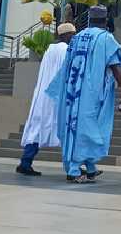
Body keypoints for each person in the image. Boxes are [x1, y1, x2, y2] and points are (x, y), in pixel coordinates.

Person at [48, 5, 121, 183]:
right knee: (87, 129)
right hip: (91, 94)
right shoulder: (106, 38)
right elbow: (115, 66)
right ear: (105, 21)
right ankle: (74, 170)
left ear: (90, 20)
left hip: (72, 93)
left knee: (78, 128)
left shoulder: (76, 38)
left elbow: (66, 66)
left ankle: (90, 167)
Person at [16, 23, 77, 176]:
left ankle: (25, 162)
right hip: (57, 95)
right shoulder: (65, 50)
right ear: (66, 35)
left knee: (37, 128)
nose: (74, 38)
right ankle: (74, 168)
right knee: (67, 129)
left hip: (43, 95)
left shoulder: (50, 49)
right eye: (72, 35)